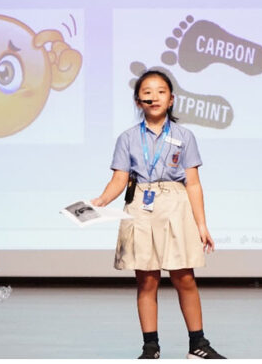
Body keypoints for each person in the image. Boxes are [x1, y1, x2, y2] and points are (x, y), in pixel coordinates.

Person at [92, 70, 225, 359]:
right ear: (138, 100)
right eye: (147, 92)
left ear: (171, 99)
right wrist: (101, 200)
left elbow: (193, 183)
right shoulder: (127, 138)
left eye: (161, 91)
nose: (154, 96)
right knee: (147, 279)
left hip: (176, 205)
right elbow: (119, 179)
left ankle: (198, 344)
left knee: (184, 276)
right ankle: (150, 346)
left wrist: (202, 224)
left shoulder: (184, 136)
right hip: (140, 205)